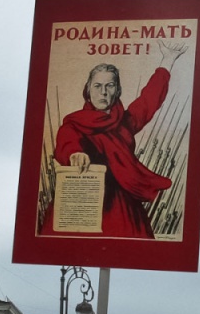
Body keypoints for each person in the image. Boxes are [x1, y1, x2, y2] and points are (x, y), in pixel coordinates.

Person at [42, 41, 186, 239]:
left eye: (109, 86)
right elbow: (67, 140)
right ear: (88, 90)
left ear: (117, 90)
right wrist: (75, 154)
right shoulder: (75, 122)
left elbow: (148, 101)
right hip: (84, 201)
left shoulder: (124, 123)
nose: (103, 92)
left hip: (123, 206)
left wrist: (167, 60)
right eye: (98, 86)